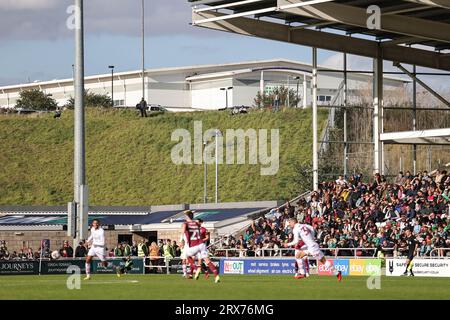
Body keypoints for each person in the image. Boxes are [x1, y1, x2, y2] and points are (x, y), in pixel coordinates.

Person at [284, 217, 342, 281]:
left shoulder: (295, 229)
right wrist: (311, 237)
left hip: (312, 248)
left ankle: (336, 272)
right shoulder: (304, 225)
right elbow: (312, 228)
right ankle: (303, 273)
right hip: (312, 246)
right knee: (299, 256)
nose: (289, 224)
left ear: (293, 222)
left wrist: (287, 244)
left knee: (323, 261)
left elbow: (296, 241)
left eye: (290, 222)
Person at [181, 210, 220, 283]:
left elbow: (183, 233)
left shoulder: (185, 224)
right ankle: (216, 276)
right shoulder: (197, 224)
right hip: (202, 244)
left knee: (187, 256)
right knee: (207, 261)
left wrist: (181, 241)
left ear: (186, 216)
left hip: (194, 245)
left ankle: (196, 269)